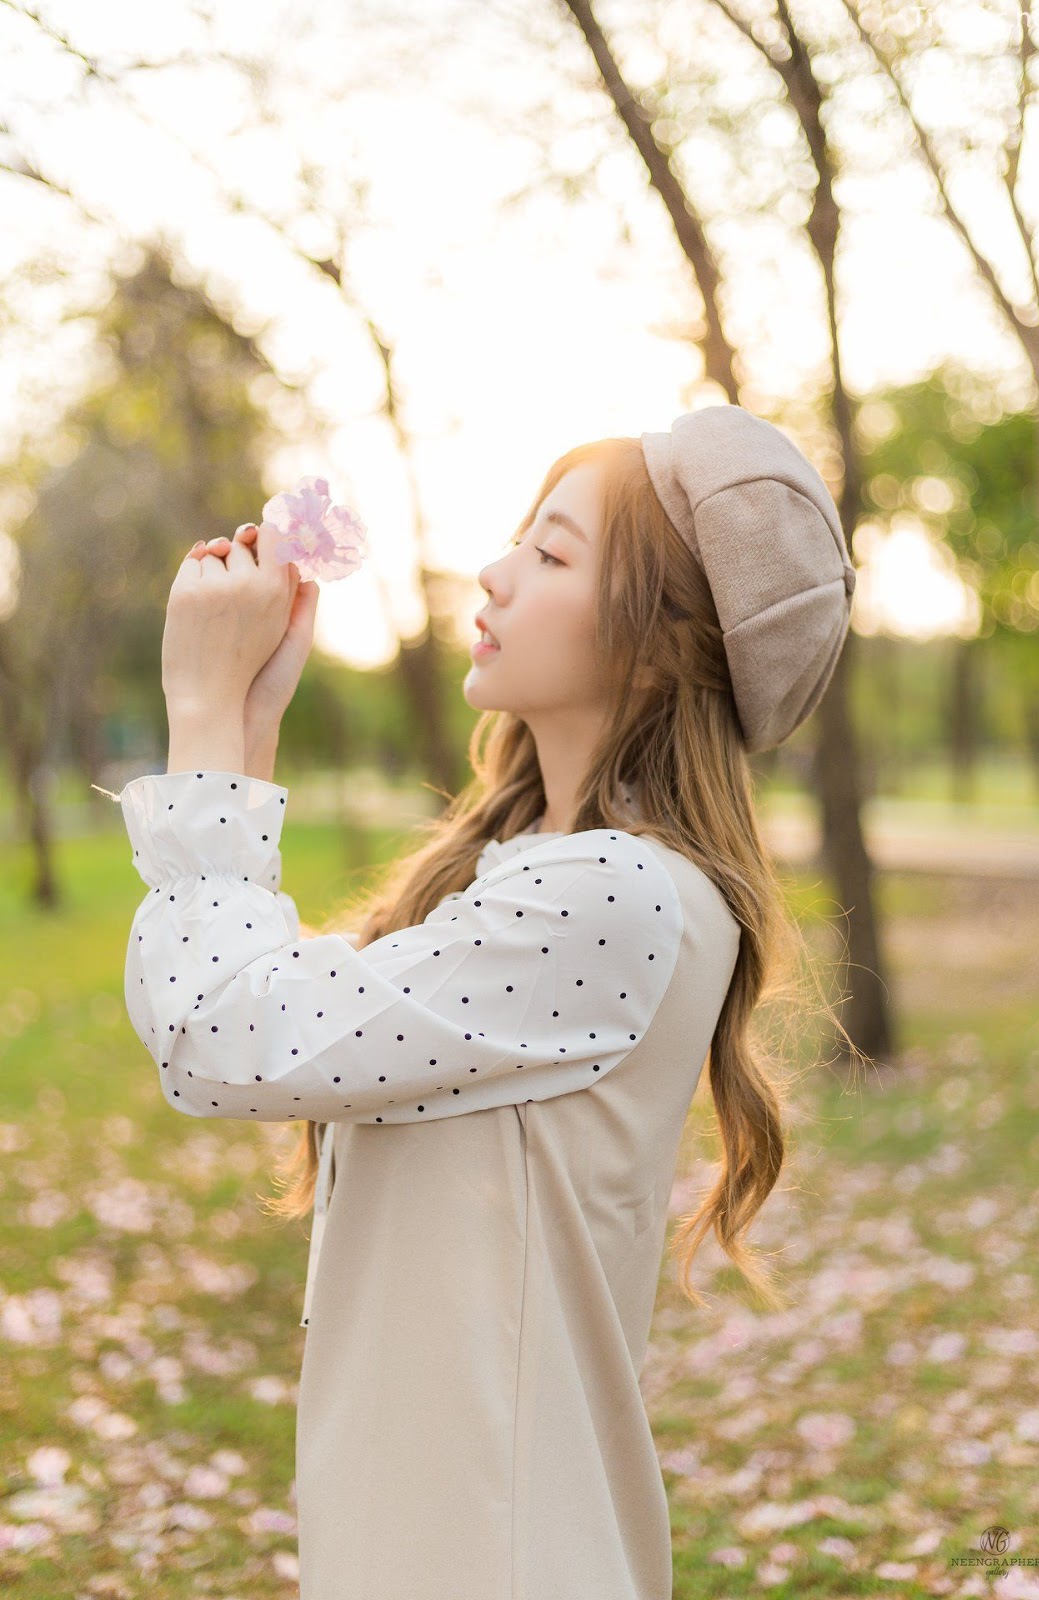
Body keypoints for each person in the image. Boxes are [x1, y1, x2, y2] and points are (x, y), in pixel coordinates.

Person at [109, 403, 858, 1600]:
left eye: (552, 554)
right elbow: (258, 1009)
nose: (496, 571)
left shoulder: (616, 895)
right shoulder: (546, 878)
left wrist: (202, 715)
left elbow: (221, 1034)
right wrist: (246, 723)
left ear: (664, 648)